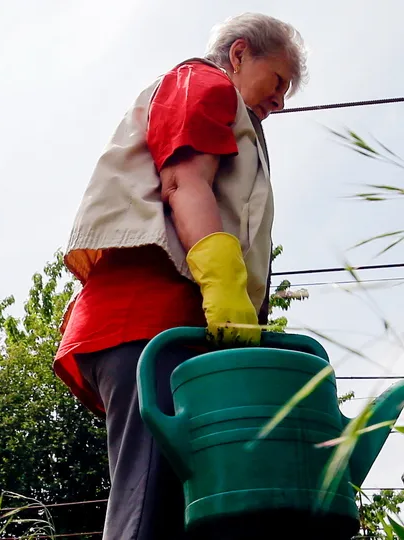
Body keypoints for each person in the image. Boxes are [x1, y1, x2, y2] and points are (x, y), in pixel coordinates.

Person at [53, 12, 308, 540]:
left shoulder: (231, 111)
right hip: (152, 328)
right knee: (149, 508)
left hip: (171, 332)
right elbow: (182, 181)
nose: (280, 101)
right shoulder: (204, 82)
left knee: (176, 511)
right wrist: (224, 286)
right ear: (240, 54)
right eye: (278, 81)